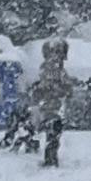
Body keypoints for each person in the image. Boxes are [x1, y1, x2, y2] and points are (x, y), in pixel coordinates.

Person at [30, 38, 74, 168]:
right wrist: (63, 90)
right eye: (56, 52)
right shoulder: (54, 70)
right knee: (53, 135)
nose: (58, 56)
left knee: (51, 135)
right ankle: (51, 160)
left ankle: (49, 158)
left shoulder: (48, 69)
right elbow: (59, 87)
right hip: (52, 108)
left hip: (50, 108)